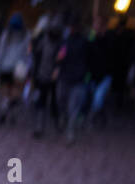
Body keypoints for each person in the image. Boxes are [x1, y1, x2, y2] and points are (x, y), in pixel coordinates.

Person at [56, 12, 90, 145]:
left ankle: (70, 131)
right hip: (64, 76)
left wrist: (86, 72)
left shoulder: (84, 41)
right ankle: (63, 118)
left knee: (73, 107)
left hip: (78, 79)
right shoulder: (65, 40)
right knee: (61, 100)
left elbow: (89, 58)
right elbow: (59, 56)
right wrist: (58, 60)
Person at [0, 12, 29, 124]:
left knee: (6, 93)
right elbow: (26, 54)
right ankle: (10, 114)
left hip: (6, 66)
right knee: (14, 93)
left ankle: (4, 112)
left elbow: (0, 52)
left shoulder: (6, 35)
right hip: (18, 68)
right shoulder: (25, 35)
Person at [30, 14, 61, 138]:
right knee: (41, 101)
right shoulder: (43, 40)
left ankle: (56, 124)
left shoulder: (60, 43)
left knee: (54, 102)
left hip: (54, 77)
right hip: (42, 75)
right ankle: (39, 126)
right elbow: (36, 55)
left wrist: (57, 69)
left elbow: (61, 59)